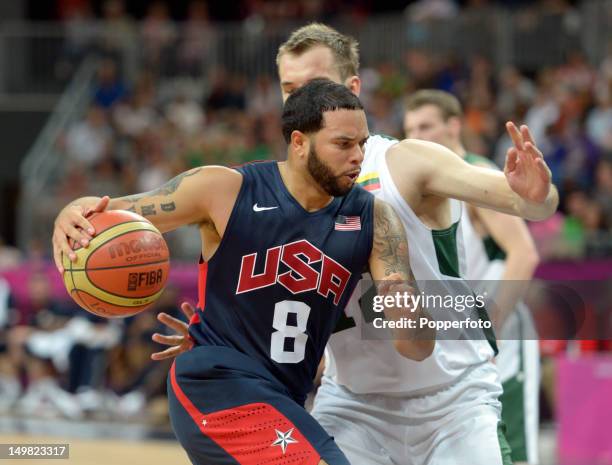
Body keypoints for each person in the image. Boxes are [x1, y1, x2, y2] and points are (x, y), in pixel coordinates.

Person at [153, 23, 557, 465]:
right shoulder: (277, 188)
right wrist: (216, 339)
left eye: (314, 84)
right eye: (289, 87)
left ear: (353, 87)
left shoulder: (406, 161)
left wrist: (537, 193)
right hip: (353, 401)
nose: (298, 98)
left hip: (451, 396)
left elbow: (529, 204)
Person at [52, 79, 433, 465]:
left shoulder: (372, 217)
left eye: (363, 144)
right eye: (343, 144)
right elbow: (108, 211)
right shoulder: (224, 189)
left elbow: (416, 346)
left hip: (283, 399)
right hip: (216, 384)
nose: (358, 157)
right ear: (299, 143)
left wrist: (401, 300)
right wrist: (70, 215)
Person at [404, 89, 541, 465]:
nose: (417, 135)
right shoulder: (413, 185)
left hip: (500, 331)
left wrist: (489, 332)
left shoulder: (476, 176)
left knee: (514, 450)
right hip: (457, 339)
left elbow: (523, 254)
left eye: (426, 125)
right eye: (411, 128)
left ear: (453, 126)